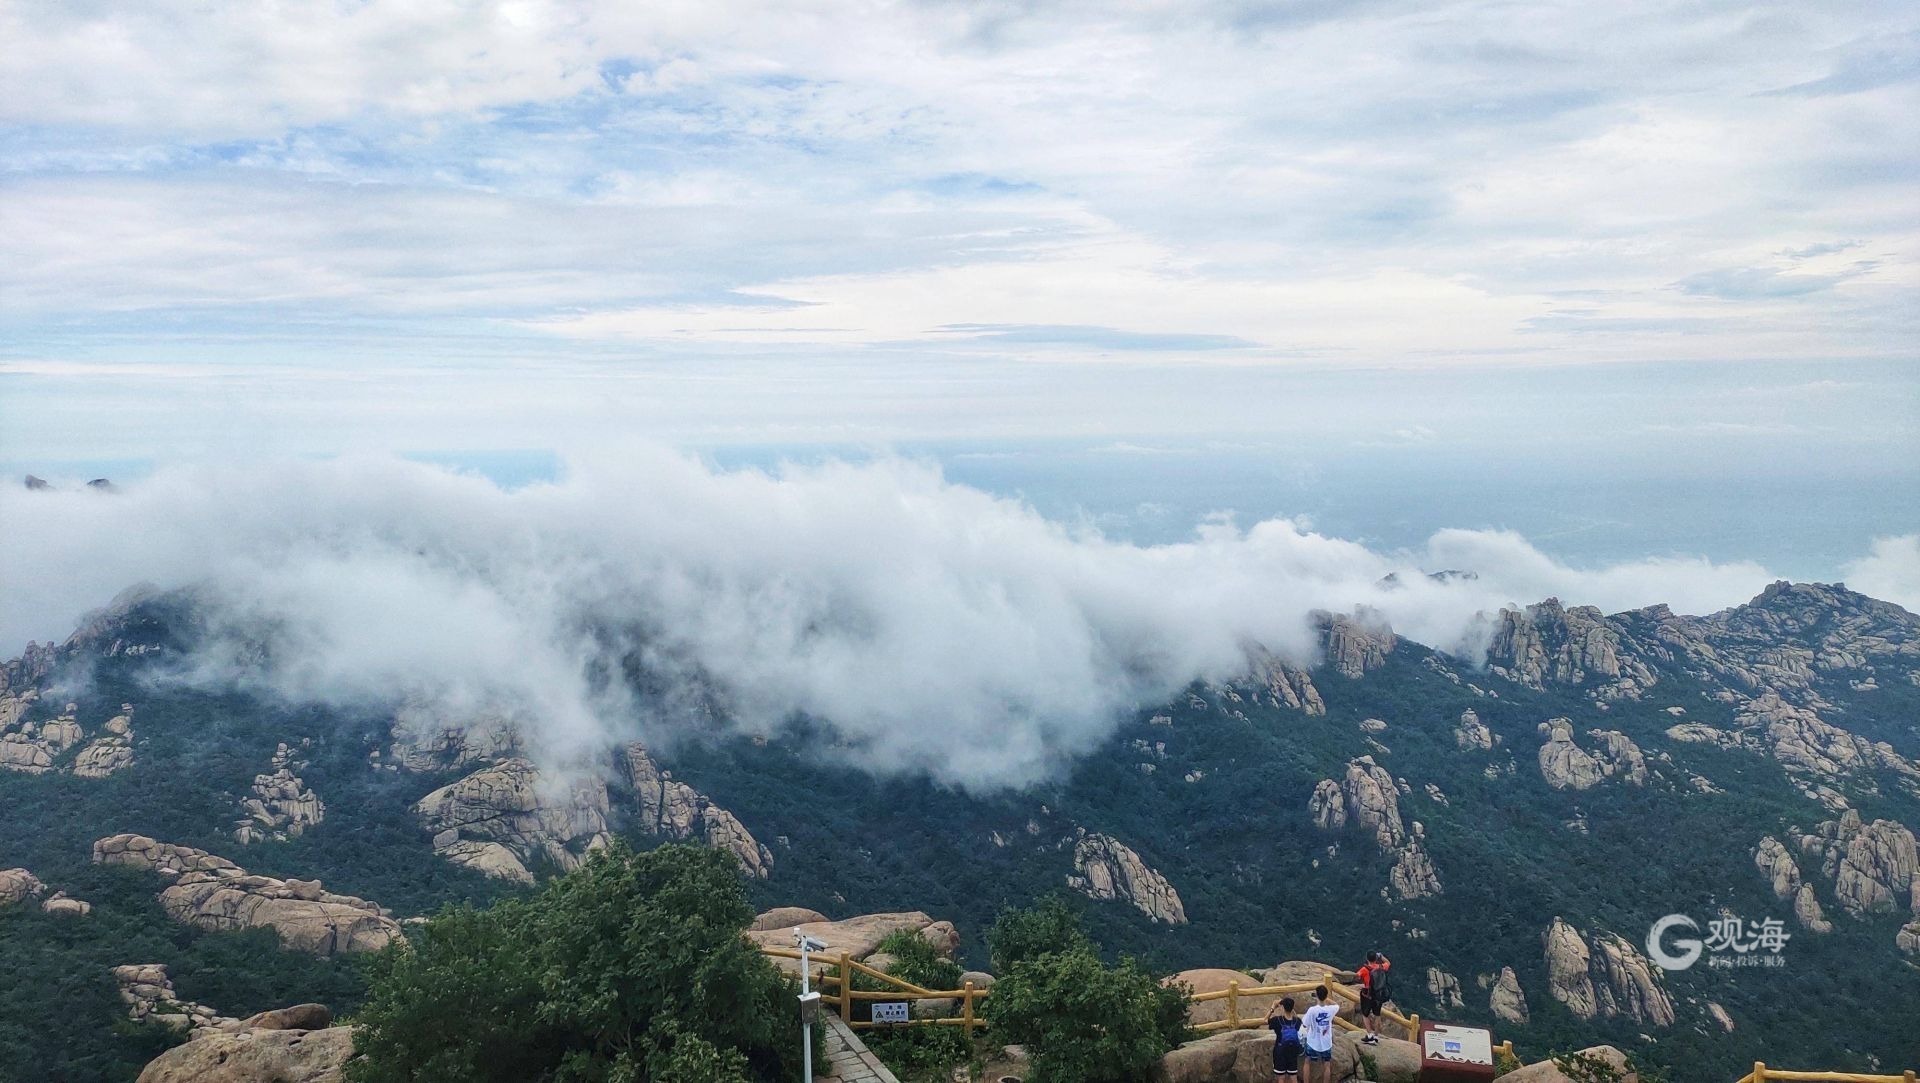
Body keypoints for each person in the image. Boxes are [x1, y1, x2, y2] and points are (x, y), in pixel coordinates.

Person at [1300, 984, 1340, 1083]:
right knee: (1326, 1065)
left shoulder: (1312, 1010)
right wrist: (1327, 999)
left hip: (1312, 1042)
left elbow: (1304, 1024)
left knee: (1307, 1062)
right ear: (1326, 996)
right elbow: (1337, 1005)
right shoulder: (1331, 1009)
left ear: (1316, 996)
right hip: (1326, 1042)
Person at [1357, 950, 1392, 1044]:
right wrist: (1381, 956)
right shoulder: (1381, 967)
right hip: (1378, 994)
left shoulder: (1364, 969)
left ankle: (1370, 1035)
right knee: (1377, 1015)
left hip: (1367, 994)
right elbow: (1388, 962)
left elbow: (1356, 977)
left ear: (1367, 958)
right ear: (1376, 958)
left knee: (1365, 1014)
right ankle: (1376, 1036)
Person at [1266, 995, 1303, 1078]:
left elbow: (1264, 1020)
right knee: (1293, 1076)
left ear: (1283, 1007)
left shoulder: (1277, 1020)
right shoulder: (1298, 1021)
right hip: (1293, 1050)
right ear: (1292, 1007)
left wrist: (1273, 1007)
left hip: (1280, 1050)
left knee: (1281, 1077)